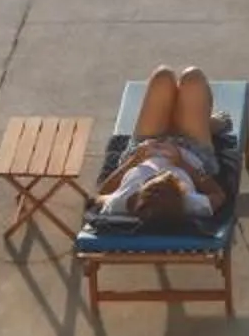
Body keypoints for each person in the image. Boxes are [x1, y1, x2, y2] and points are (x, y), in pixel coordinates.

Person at [92, 64, 231, 233]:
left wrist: (133, 161)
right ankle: (204, 124)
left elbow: (99, 195)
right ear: (180, 191)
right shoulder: (190, 203)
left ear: (140, 193)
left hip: (145, 146)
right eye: (166, 176)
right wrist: (182, 163)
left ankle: (201, 124)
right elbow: (219, 196)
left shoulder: (123, 201)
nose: (158, 172)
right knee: (192, 79)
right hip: (191, 150)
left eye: (151, 180)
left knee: (163, 77)